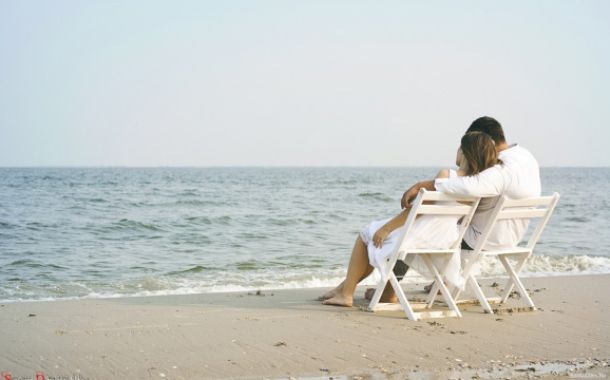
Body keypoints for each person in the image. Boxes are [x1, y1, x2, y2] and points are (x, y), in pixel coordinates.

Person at [320, 131, 501, 307]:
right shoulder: (477, 187)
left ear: (465, 152)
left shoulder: (447, 175)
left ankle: (346, 294)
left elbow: (418, 211)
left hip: (421, 236)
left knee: (367, 234)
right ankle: (344, 288)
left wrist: (387, 228)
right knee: (378, 238)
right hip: (444, 240)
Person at [401, 116, 541, 294]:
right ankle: (444, 280)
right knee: (445, 220)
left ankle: (388, 291)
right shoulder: (526, 156)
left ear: (486, 140)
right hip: (513, 236)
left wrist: (424, 185)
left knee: (421, 227)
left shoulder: (501, 169)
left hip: (485, 239)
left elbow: (469, 185)